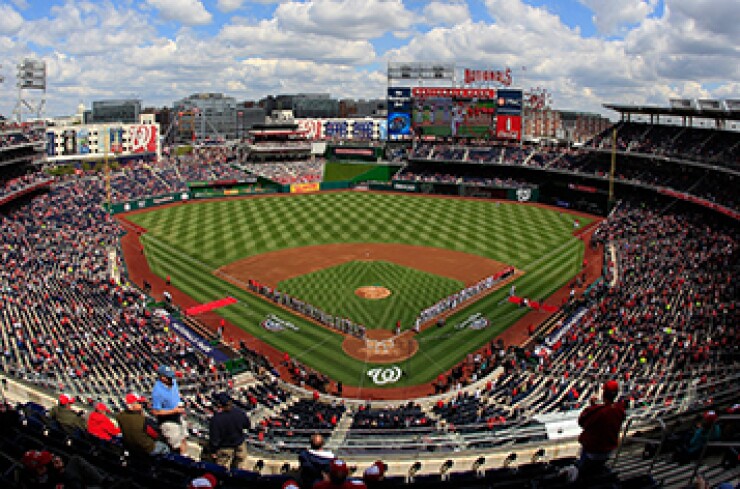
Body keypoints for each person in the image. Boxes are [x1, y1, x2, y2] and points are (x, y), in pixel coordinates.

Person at [577, 380, 626, 478]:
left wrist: (592, 406)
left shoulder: (598, 411)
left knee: (582, 475)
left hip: (592, 450)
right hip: (608, 450)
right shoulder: (620, 410)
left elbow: (582, 421)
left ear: (604, 393)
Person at [17, 449, 113, 489]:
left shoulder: (27, 476)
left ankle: (103, 481)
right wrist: (62, 471)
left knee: (75, 460)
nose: (52, 462)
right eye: (48, 463)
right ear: (40, 469)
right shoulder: (49, 482)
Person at [208, 392, 250, 470]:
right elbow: (247, 425)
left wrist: (213, 451)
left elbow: (214, 439)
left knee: (220, 470)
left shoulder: (216, 419)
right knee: (238, 470)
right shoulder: (240, 413)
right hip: (240, 445)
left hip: (225, 448)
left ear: (219, 404)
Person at [150, 364, 187, 454]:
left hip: (178, 416)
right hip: (168, 422)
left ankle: (185, 458)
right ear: (162, 378)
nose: (171, 379)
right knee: (176, 446)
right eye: (168, 377)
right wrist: (174, 411)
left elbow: (176, 393)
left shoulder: (173, 382)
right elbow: (155, 411)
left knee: (183, 439)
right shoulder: (157, 391)